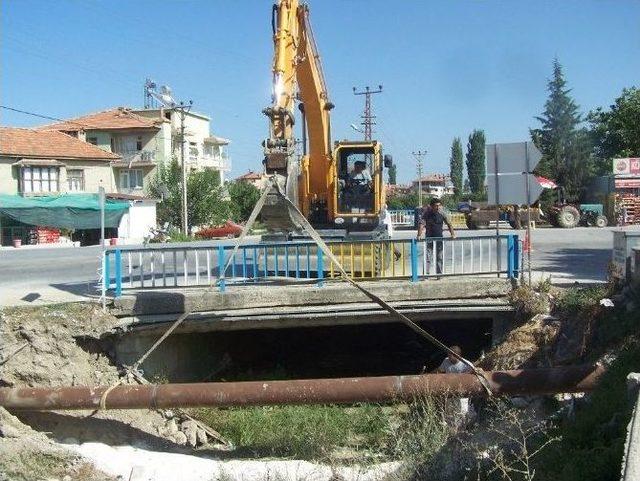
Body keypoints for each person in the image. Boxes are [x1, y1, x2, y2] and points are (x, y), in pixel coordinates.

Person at [417, 197, 456, 275]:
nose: (438, 207)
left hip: (439, 238)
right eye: (436, 206)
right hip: (429, 238)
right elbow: (421, 224)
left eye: (439, 205)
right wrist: (419, 235)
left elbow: (449, 224)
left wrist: (452, 234)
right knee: (428, 257)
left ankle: (439, 274)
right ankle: (426, 275)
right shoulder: (427, 214)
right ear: (431, 206)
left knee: (439, 257)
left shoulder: (442, 213)